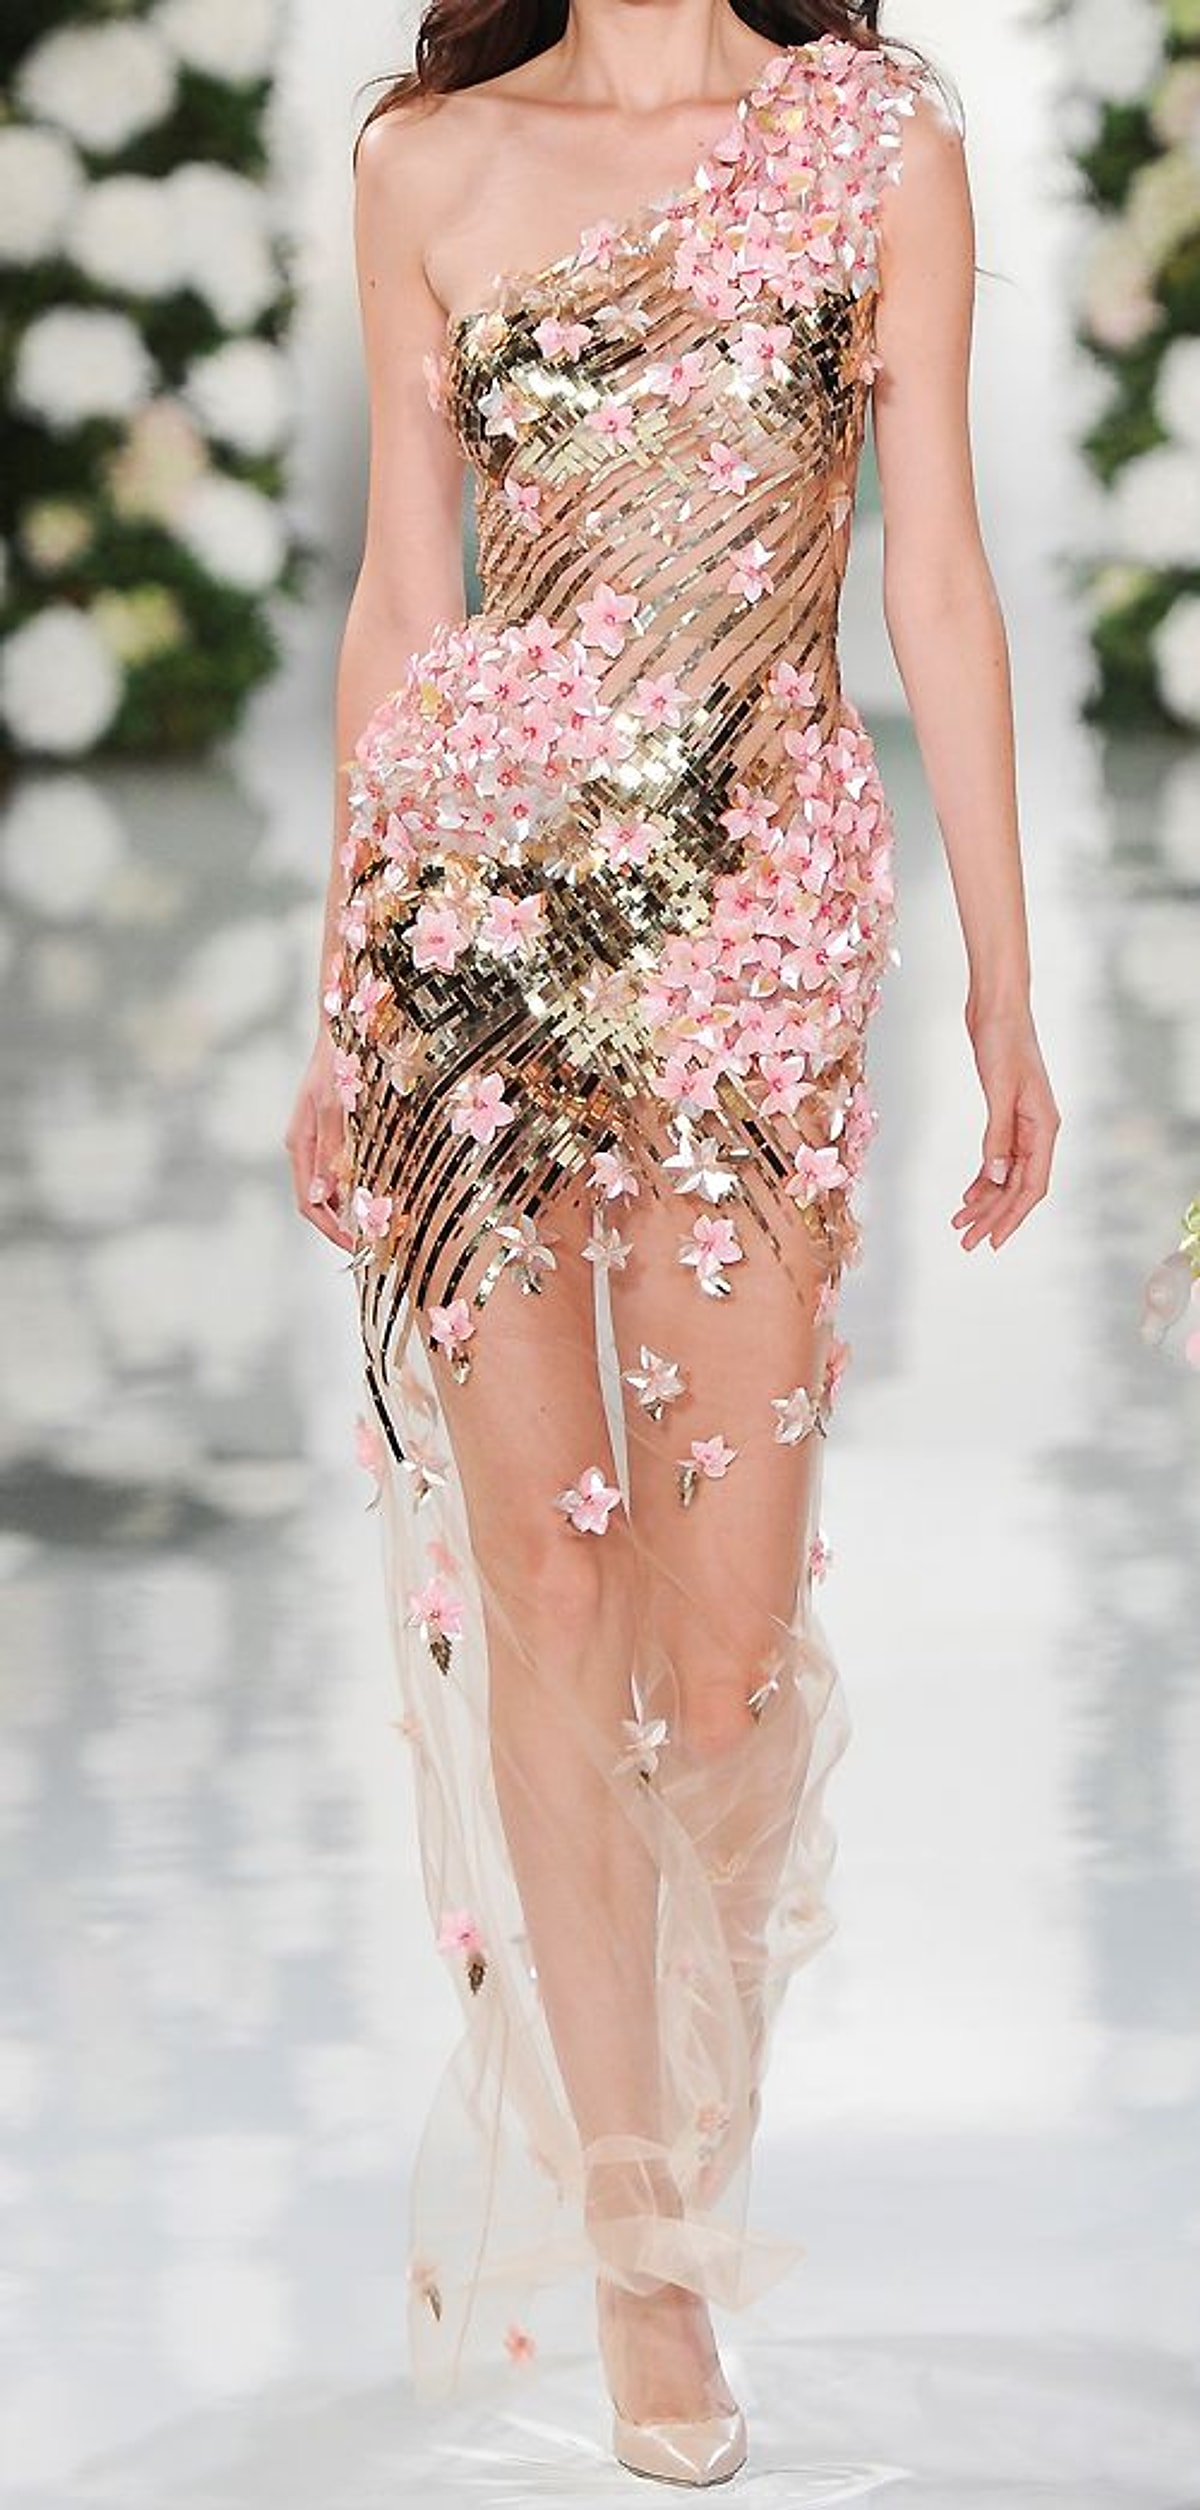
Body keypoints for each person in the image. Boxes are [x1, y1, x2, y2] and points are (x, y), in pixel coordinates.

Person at [285, 1, 1060, 2484]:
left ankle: (689, 2159)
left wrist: (1006, 977)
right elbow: (403, 599)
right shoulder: (425, 161)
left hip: (759, 936)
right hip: (468, 947)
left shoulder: (870, 139)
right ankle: (644, 2254)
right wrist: (339, 991)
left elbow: (935, 568)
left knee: (722, 1657)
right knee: (548, 1580)